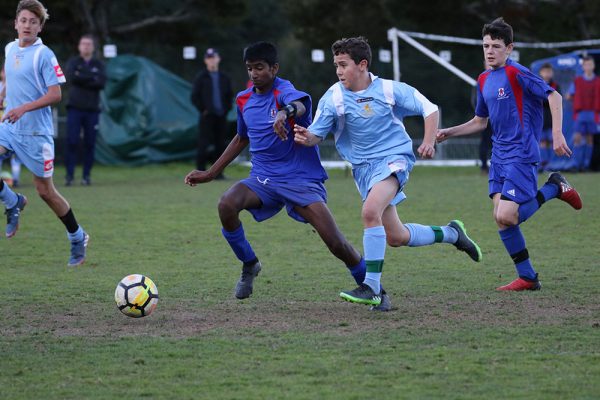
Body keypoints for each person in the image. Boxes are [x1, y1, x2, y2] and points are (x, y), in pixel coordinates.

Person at [184, 42, 390, 309]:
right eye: (250, 68)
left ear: (274, 68)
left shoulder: (284, 90)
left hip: (299, 180)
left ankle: (376, 291)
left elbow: (300, 105)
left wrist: (284, 112)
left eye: (260, 68)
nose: (254, 74)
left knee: (335, 242)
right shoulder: (243, 99)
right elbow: (241, 137)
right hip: (262, 179)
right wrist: (211, 172)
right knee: (226, 204)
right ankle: (250, 264)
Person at [294, 36, 482, 307]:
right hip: (363, 170)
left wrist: (428, 141)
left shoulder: (390, 90)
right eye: (336, 65)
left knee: (370, 213)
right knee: (396, 236)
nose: (338, 71)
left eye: (343, 65)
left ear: (362, 65)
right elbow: (316, 134)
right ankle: (452, 233)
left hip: (395, 159)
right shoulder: (333, 97)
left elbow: (429, 108)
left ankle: (371, 286)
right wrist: (305, 136)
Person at [437, 18, 582, 291]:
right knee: (501, 218)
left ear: (509, 48)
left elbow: (554, 97)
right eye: (486, 45)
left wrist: (558, 134)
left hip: (521, 153)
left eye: (495, 46)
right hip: (499, 155)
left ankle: (554, 187)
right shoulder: (483, 79)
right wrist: (450, 131)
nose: (489, 51)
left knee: (507, 215)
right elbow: (480, 121)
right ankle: (527, 277)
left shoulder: (518, 73)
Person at [0, 0, 89, 266]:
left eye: (33, 22)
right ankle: (12, 201)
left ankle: (77, 236)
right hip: (10, 127)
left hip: (36, 134)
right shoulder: (9, 48)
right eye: (23, 20)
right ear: (16, 23)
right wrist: (4, 96)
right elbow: (12, 79)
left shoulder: (44, 55)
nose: (27, 25)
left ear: (40, 27)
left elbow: (55, 94)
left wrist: (24, 108)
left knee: (45, 192)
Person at [64, 34, 106, 186]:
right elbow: (71, 79)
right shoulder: (73, 62)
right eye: (83, 44)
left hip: (92, 110)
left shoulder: (99, 64)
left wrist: (81, 76)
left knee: (90, 143)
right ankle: (69, 176)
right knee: (72, 141)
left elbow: (101, 83)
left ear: (93, 47)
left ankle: (86, 176)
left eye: (89, 44)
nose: (86, 46)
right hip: (75, 108)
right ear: (79, 46)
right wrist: (91, 77)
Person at [191, 48, 233, 178]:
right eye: (209, 58)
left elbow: (229, 95)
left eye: (214, 57)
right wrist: (203, 109)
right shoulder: (201, 77)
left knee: (220, 145)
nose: (212, 60)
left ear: (218, 59)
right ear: (205, 60)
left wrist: (226, 109)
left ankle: (218, 173)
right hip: (207, 116)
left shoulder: (224, 77)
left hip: (221, 116)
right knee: (203, 143)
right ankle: (200, 171)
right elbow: (194, 96)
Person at [566, 56, 598, 172]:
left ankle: (586, 165)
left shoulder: (598, 81)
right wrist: (578, 99)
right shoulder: (578, 81)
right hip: (580, 113)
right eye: (586, 65)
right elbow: (569, 95)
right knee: (577, 138)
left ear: (593, 66)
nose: (588, 67)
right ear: (583, 67)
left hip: (593, 113)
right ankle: (576, 164)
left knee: (590, 139)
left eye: (590, 64)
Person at [538, 63, 560, 171]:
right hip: (541, 118)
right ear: (541, 73)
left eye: (549, 72)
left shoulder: (555, 85)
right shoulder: (537, 84)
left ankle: (551, 164)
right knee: (542, 141)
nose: (547, 74)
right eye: (545, 71)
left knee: (552, 141)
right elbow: (539, 100)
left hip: (552, 118)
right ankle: (543, 163)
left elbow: (556, 101)